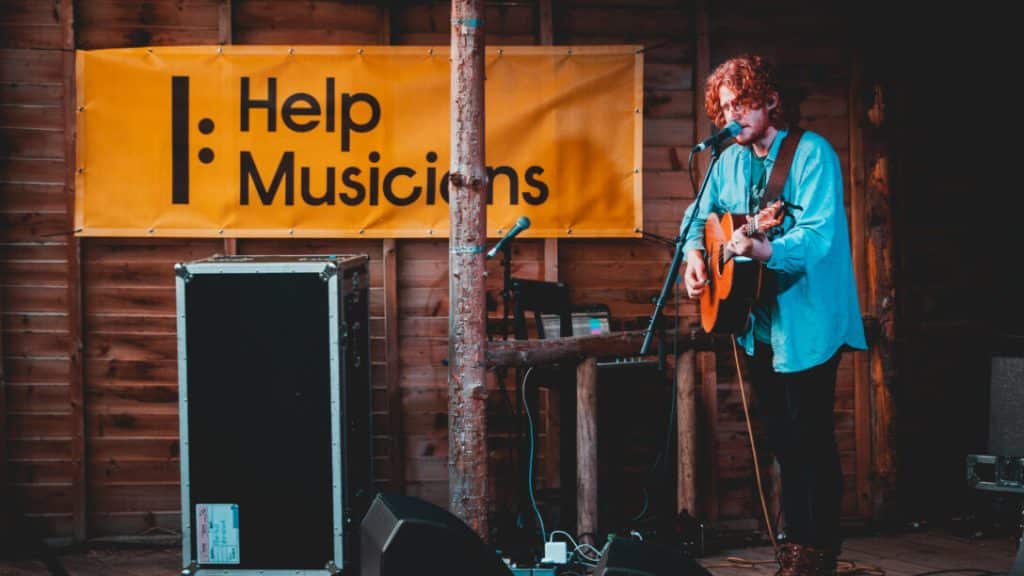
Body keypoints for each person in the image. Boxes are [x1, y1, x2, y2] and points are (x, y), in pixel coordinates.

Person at [680, 54, 867, 575]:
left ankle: (817, 549)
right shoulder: (727, 162)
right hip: (755, 323)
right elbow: (695, 218)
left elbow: (819, 236)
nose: (732, 116)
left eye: (741, 104)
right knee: (782, 437)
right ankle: (795, 544)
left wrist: (765, 249)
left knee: (810, 435)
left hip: (808, 319)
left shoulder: (811, 154)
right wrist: (695, 258)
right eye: (724, 109)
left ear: (770, 101)